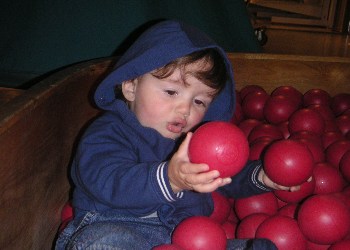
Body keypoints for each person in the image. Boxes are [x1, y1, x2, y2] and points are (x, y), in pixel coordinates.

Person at [55, 20, 302, 250]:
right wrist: (170, 179)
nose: (185, 110)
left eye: (199, 101)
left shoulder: (192, 142)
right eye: (172, 92)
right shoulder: (109, 131)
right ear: (130, 86)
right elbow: (107, 178)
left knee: (261, 246)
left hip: (186, 237)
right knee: (101, 242)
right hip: (120, 226)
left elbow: (222, 178)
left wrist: (261, 175)